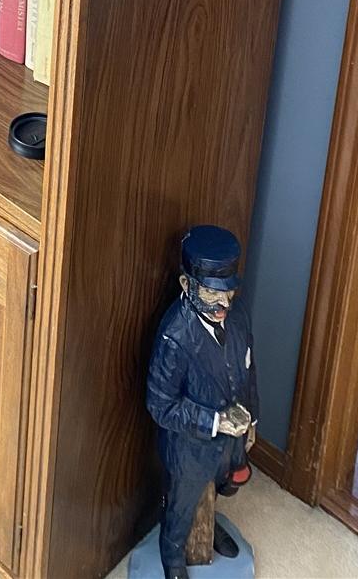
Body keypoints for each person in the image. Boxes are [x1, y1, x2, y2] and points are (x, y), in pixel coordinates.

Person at [145, 225, 258, 578]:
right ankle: (173, 557)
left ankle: (209, 526)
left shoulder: (237, 319)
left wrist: (251, 422)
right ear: (187, 285)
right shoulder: (175, 336)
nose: (223, 303)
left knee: (226, 482)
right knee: (182, 505)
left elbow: (248, 370)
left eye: (228, 292)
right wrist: (214, 421)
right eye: (211, 292)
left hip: (230, 438)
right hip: (190, 446)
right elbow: (160, 404)